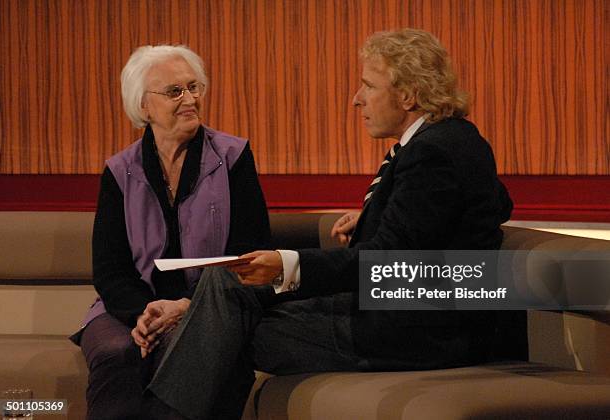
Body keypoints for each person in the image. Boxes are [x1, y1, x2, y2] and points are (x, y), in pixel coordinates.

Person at [144, 28, 513, 419]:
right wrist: (380, 216)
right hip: (399, 315)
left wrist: (289, 265)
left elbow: (386, 261)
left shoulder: (435, 151)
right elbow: (486, 206)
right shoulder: (450, 139)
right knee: (226, 289)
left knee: (223, 326)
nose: (356, 99)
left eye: (368, 86)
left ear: (407, 95)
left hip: (418, 334)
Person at [70, 45, 271, 420]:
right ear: (143, 106)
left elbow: (252, 251)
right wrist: (143, 312)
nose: (190, 99)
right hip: (131, 307)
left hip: (209, 307)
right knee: (119, 352)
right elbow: (111, 269)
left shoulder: (233, 157)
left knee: (188, 344)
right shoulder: (119, 170)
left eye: (194, 87)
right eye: (174, 92)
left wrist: (188, 307)